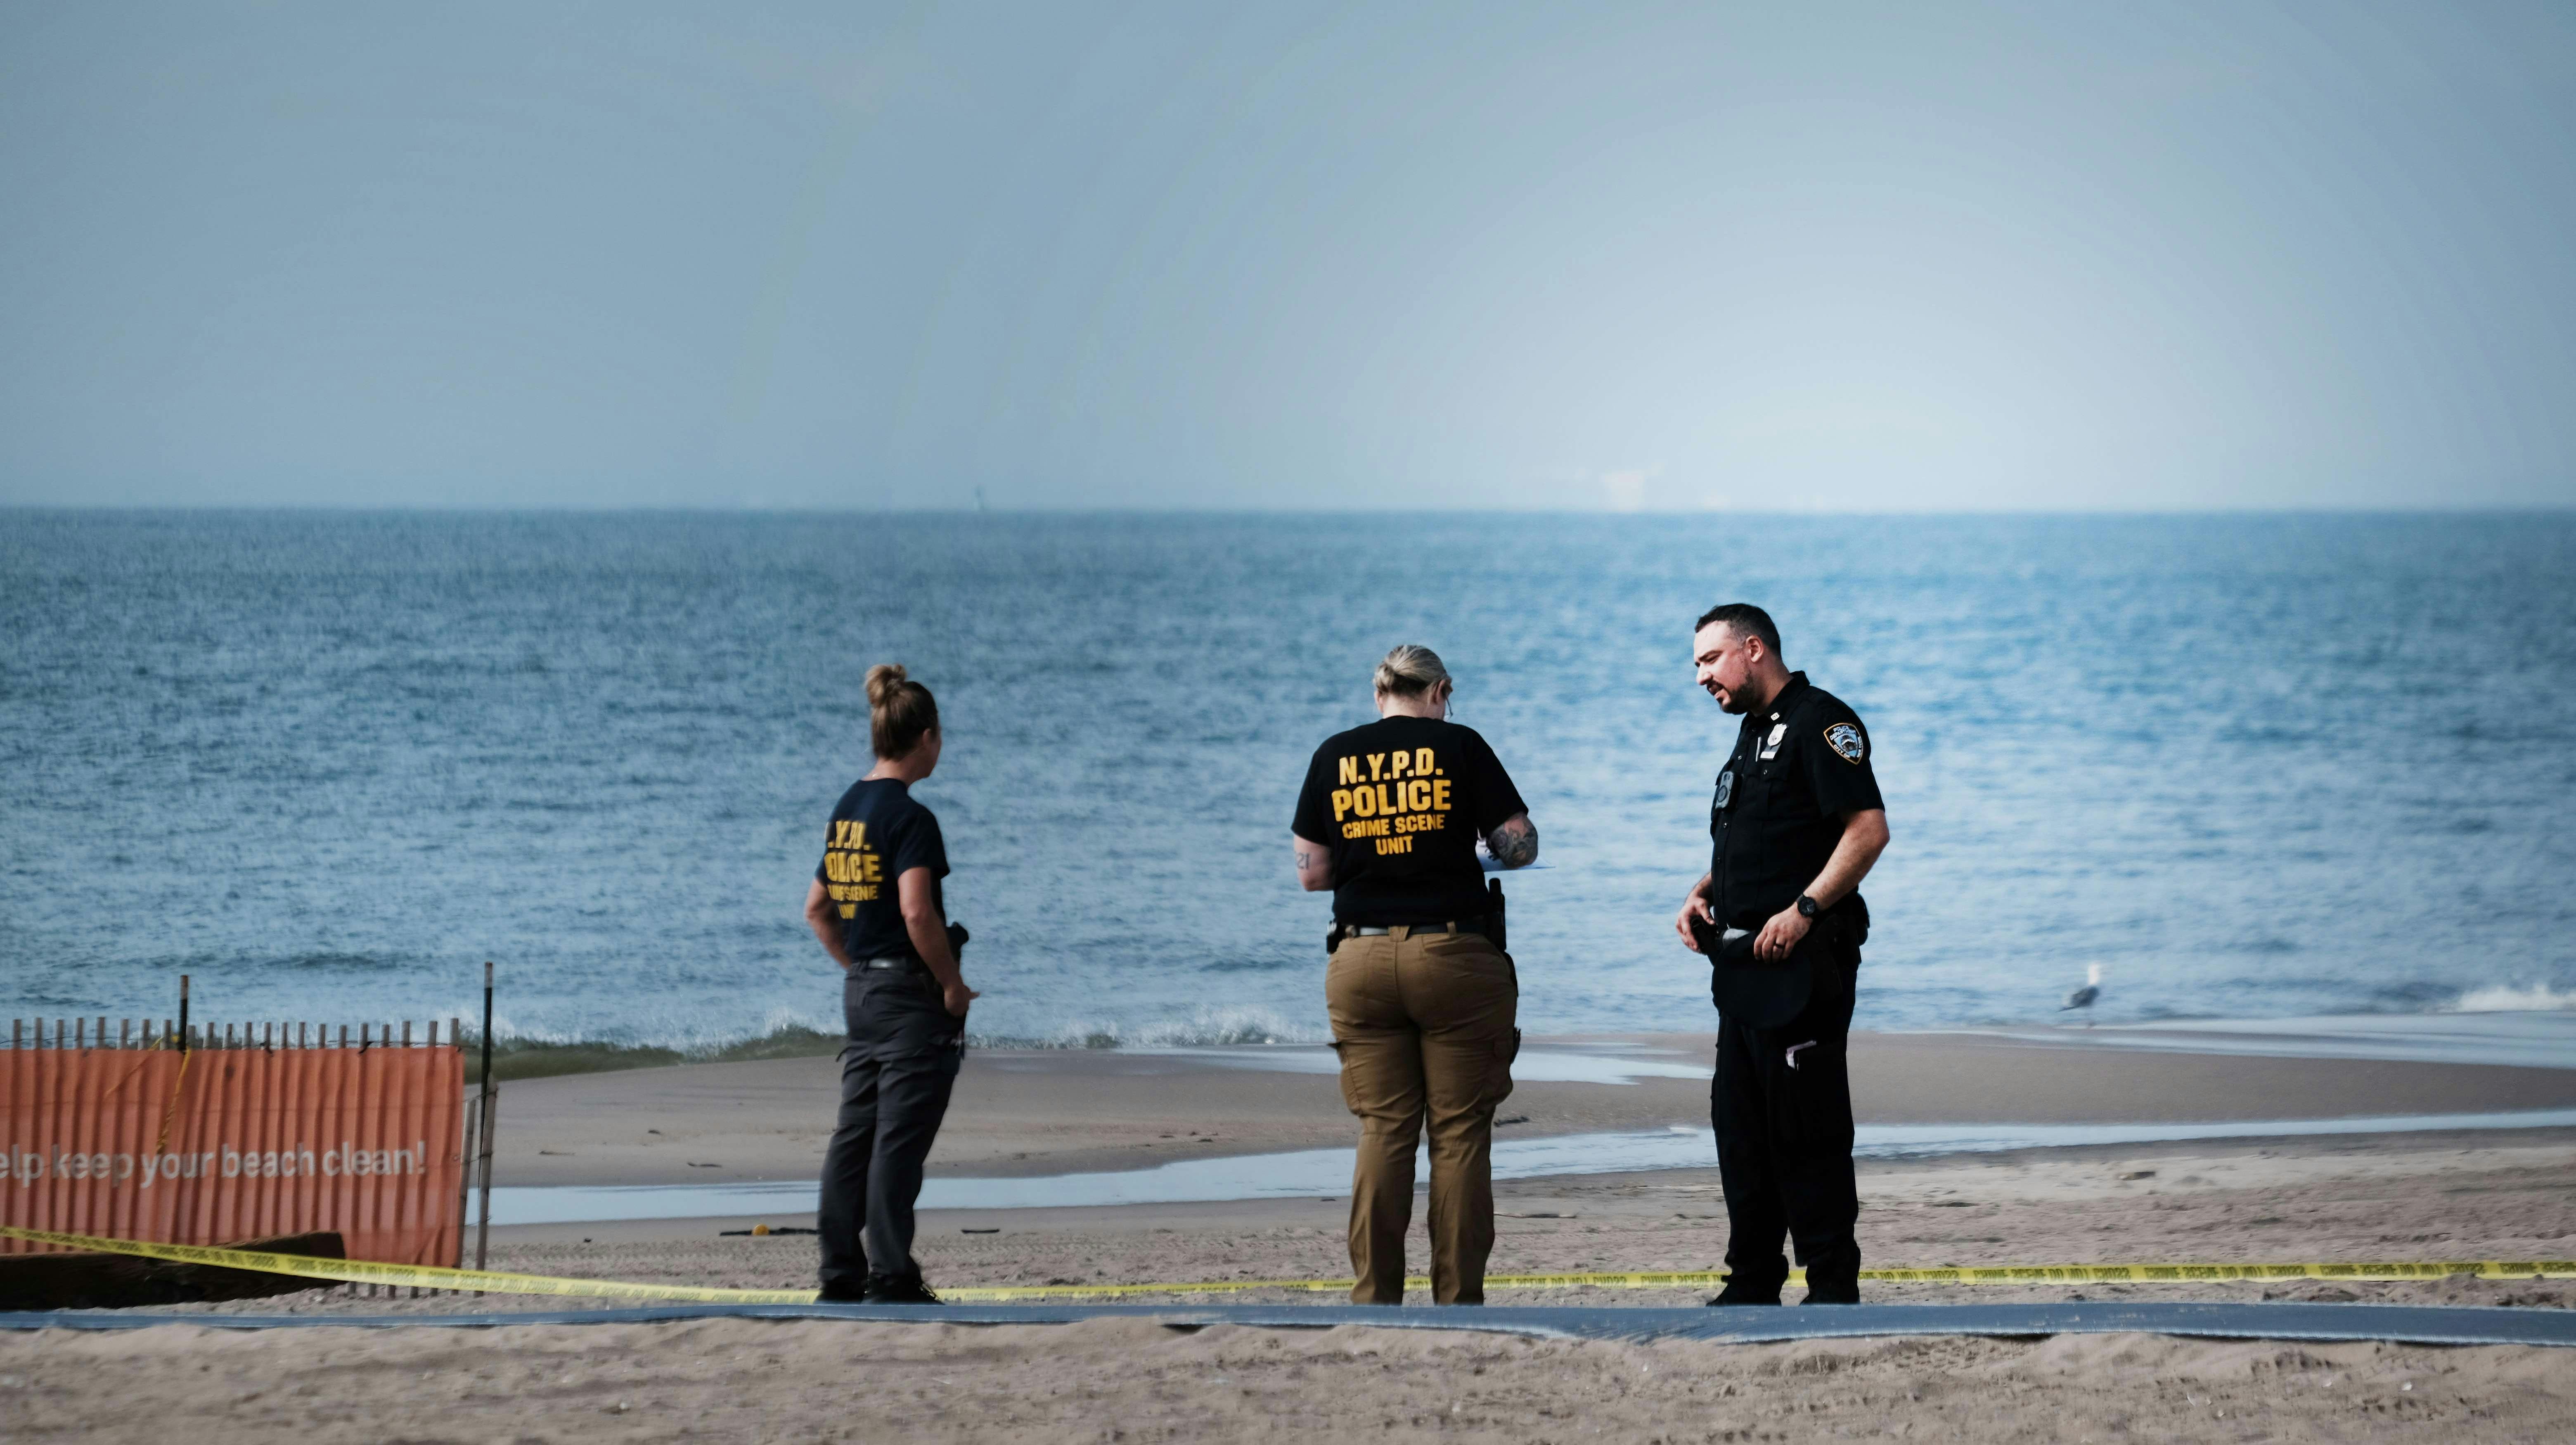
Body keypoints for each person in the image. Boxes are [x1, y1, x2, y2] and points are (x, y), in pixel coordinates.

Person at [1290, 644, 1539, 1305]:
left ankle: (1374, 1299)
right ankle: (1458, 1303)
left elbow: (1312, 873)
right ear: (1441, 691)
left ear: (1380, 697)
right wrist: (1468, 849)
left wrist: (1376, 853)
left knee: (1384, 1128)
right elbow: (1520, 844)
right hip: (1453, 956)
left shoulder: (1332, 755)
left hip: (1360, 960)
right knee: (1457, 1133)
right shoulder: (1460, 746)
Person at [1673, 604, 1889, 1306]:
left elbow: (1867, 832)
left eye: (1710, 660)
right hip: (1742, 969)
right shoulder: (1751, 734)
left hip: (1805, 965)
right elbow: (1768, 835)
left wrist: (1804, 911)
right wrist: (1706, 890)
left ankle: (1832, 1286)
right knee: (1739, 1125)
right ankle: (1753, 1280)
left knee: (1808, 1129)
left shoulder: (1824, 723)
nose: (1700, 675)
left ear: (1754, 649)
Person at [802, 663, 978, 1304]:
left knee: (854, 1135)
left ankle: (838, 1272)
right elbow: (916, 911)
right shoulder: (911, 819)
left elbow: (817, 909)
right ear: (926, 738)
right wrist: (951, 986)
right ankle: (891, 1276)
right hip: (908, 999)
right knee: (896, 1143)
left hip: (863, 997)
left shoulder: (848, 809)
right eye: (940, 738)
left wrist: (858, 970)